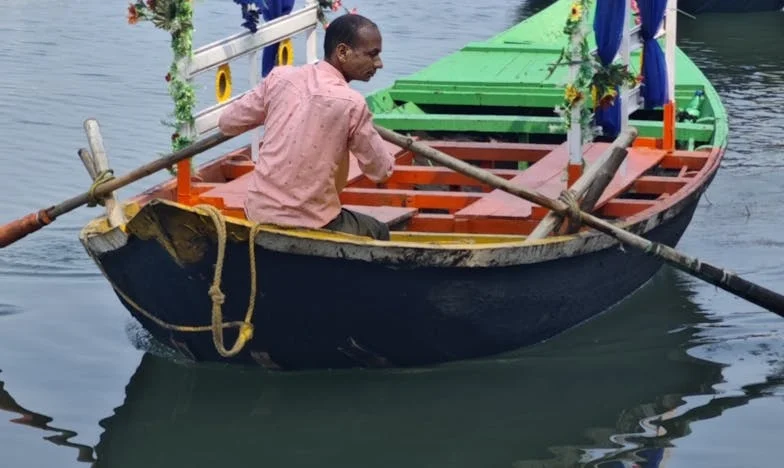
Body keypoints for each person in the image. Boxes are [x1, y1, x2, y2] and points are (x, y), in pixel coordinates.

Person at [217, 13, 395, 240]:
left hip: (258, 213)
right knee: (379, 231)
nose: (379, 63)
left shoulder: (280, 78)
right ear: (342, 52)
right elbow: (381, 171)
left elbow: (228, 122)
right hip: (313, 221)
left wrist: (273, 108)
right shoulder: (352, 103)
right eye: (372, 54)